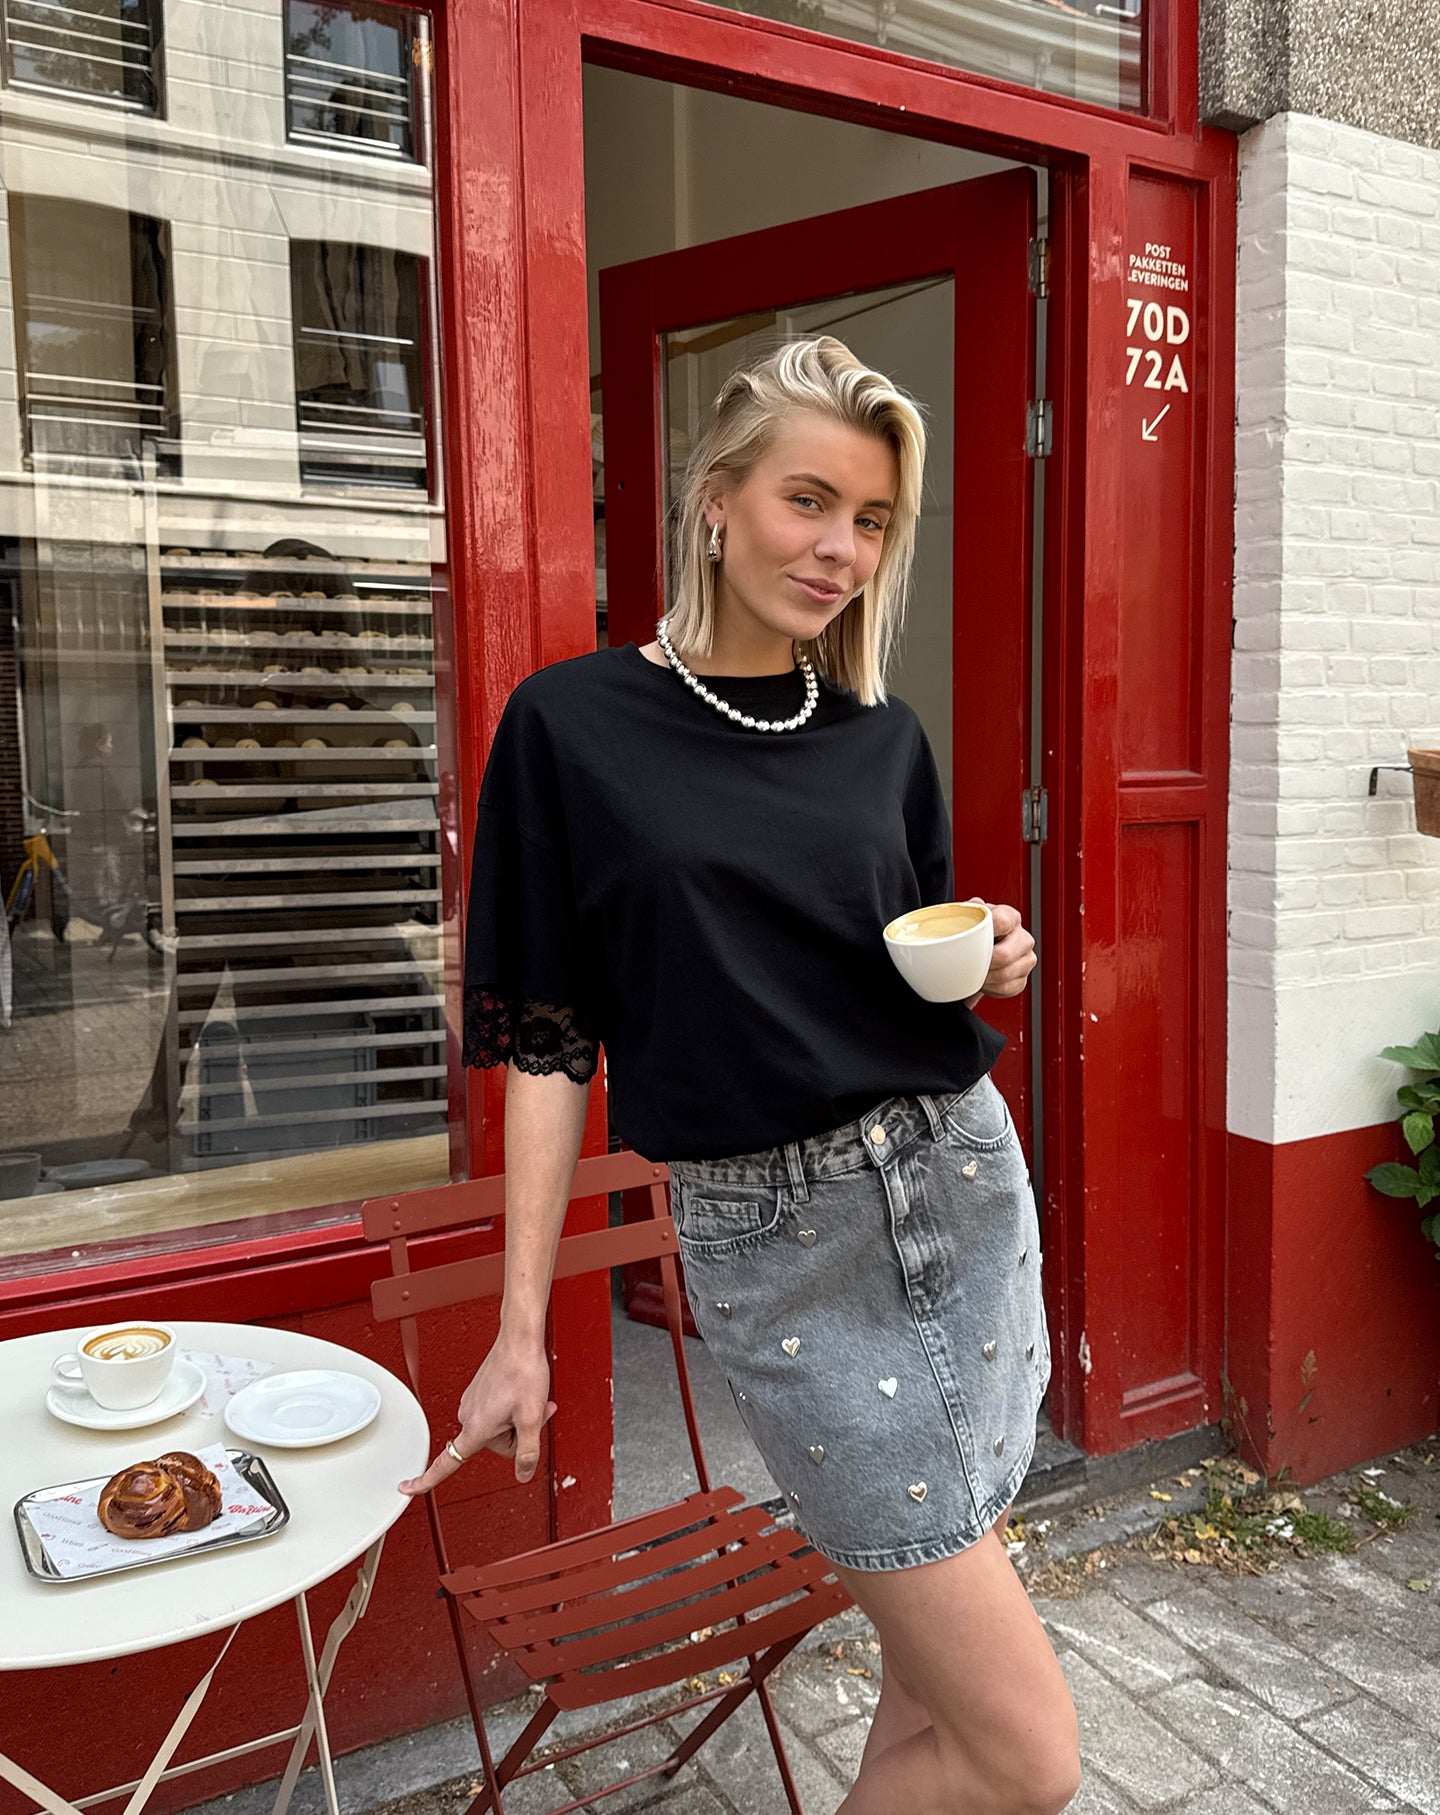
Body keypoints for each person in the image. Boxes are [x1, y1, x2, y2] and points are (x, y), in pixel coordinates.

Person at [399, 336, 1082, 1814]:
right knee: (1029, 1759)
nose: (840, 549)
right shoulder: (569, 728)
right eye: (807, 501)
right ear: (717, 500)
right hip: (781, 1248)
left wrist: (996, 957)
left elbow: (897, 955)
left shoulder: (881, 740)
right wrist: (524, 1327)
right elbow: (543, 1041)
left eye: (874, 520)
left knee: (939, 1707)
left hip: (959, 1195)